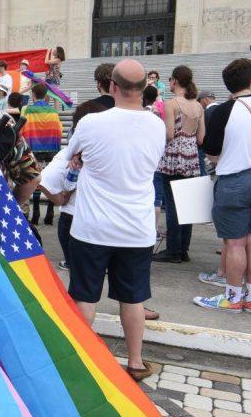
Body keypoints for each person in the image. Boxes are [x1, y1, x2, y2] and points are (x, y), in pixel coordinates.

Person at [63, 58, 165, 380]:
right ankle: (135, 362)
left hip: (93, 226)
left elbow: (71, 156)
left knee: (84, 295)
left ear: (112, 86)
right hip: (136, 228)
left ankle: (78, 359)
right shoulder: (157, 125)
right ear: (145, 88)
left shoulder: (91, 123)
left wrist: (82, 158)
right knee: (133, 297)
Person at [195, 58, 251, 315]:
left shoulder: (224, 110)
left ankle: (232, 297)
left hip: (235, 178)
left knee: (235, 244)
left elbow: (211, 150)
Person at [40, 99, 110, 269]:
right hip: (86, 219)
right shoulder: (74, 156)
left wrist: (64, 196)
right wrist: (63, 196)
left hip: (84, 218)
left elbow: (44, 180)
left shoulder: (83, 155)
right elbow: (45, 180)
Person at [153, 65, 205, 263]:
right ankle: (184, 249)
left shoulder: (171, 103)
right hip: (191, 157)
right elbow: (201, 138)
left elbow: (169, 134)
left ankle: (173, 250)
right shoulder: (198, 105)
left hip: (174, 157)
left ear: (174, 81)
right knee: (188, 205)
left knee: (173, 205)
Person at [22, 82, 63, 226]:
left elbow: (23, 129)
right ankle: (50, 212)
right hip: (51, 148)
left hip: (35, 148)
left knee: (36, 178)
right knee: (50, 178)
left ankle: (36, 211)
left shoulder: (29, 111)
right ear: (46, 95)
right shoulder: (52, 112)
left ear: (33, 95)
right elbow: (59, 129)